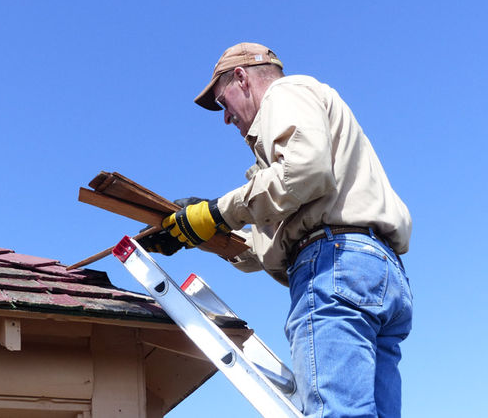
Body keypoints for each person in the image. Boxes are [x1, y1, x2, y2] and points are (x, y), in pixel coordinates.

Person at [142, 42, 413, 418]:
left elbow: (304, 172)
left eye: (223, 103)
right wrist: (202, 235)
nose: (225, 118)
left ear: (242, 78)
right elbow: (277, 237)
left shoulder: (285, 94)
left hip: (335, 265)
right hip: (375, 271)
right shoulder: (311, 115)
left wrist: (218, 213)